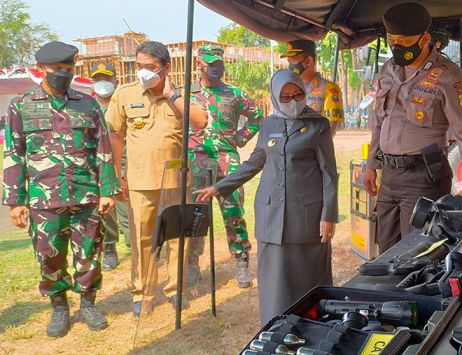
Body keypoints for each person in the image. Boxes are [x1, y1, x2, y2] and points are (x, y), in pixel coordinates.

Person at [194, 70, 338, 325]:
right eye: (285, 96)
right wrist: (220, 187)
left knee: (309, 278)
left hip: (307, 217)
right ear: (274, 97)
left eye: (297, 94)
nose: (292, 101)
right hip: (271, 216)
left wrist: (328, 216)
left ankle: (313, 326)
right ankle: (274, 329)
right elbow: (253, 163)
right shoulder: (267, 125)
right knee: (275, 282)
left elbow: (329, 174)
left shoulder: (318, 125)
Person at [2, 41, 120, 337]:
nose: (63, 74)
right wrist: (16, 201)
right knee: (49, 255)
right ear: (40, 69)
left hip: (86, 195)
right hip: (44, 198)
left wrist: (107, 190)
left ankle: (88, 304)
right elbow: (14, 154)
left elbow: (103, 149)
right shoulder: (21, 105)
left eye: (68, 69)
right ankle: (59, 307)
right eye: (57, 69)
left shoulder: (87, 103)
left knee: (89, 252)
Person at [362, 2, 462, 253]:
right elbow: (380, 122)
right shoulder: (388, 69)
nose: (397, 46)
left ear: (425, 38)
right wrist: (371, 165)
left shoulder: (448, 77)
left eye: (404, 40)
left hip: (424, 176)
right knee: (386, 250)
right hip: (389, 176)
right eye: (392, 40)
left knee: (418, 251)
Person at [105, 41, 208, 316]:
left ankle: (176, 290)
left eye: (150, 67)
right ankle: (143, 293)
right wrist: (117, 176)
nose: (143, 72)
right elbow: (114, 135)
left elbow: (199, 121)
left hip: (176, 180)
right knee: (143, 240)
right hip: (140, 182)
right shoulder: (125, 94)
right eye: (139, 66)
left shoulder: (180, 95)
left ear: (165, 67)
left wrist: (172, 95)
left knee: (177, 237)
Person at [189, 45, 262, 288]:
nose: (216, 68)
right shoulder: (187, 95)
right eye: (211, 64)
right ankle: (192, 262)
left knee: (233, 212)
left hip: (226, 159)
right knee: (196, 213)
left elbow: (256, 117)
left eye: (219, 63)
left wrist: (239, 139)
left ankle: (241, 261)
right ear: (199, 63)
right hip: (196, 159)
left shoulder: (234, 93)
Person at [90, 63, 130, 269]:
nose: (102, 83)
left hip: (123, 165)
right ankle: (110, 247)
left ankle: (135, 245)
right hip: (98, 168)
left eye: (106, 78)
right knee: (105, 211)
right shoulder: (87, 106)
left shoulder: (124, 104)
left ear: (116, 80)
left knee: (128, 208)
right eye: (98, 79)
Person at [282, 39, 344, 136]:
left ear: (308, 61)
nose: (290, 66)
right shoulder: (287, 89)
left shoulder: (329, 89)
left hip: (314, 148)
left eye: (293, 59)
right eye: (288, 61)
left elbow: (330, 129)